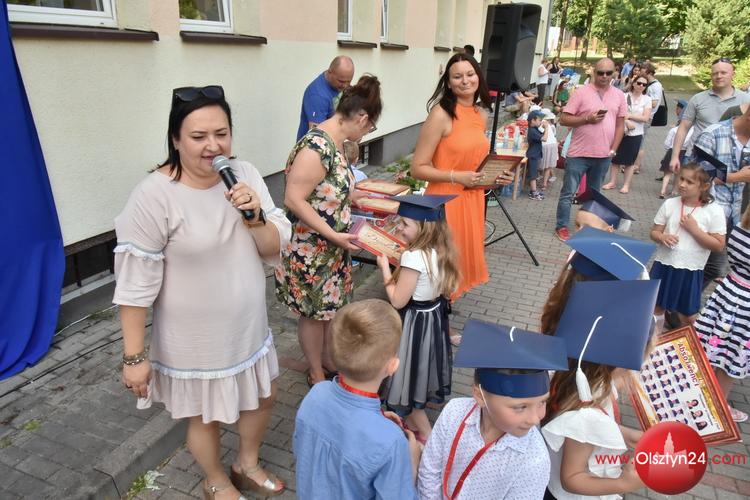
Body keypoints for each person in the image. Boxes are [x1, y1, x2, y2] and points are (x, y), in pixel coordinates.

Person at [114, 85, 291, 499]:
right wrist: (134, 357)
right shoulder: (154, 195)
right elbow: (135, 284)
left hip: (248, 327)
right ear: (176, 140)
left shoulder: (245, 175)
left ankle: (246, 464)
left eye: (221, 133)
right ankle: (215, 479)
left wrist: (255, 218)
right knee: (204, 416)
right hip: (194, 339)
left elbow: (273, 245)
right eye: (199, 136)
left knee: (265, 396)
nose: (214, 146)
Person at [275, 74, 382, 385]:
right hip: (310, 249)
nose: (367, 133)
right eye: (370, 128)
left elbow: (327, 189)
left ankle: (326, 359)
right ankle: (316, 370)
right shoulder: (316, 146)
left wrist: (357, 197)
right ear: (362, 118)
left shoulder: (335, 143)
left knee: (328, 311)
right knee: (312, 313)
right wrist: (334, 235)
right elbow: (293, 198)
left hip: (330, 248)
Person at [417, 319, 569, 499]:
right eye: (521, 407)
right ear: (480, 396)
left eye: (542, 402)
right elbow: (430, 469)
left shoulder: (534, 459)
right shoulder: (454, 412)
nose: (536, 419)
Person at [542, 279, 660, 499]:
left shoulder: (584, 380)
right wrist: (623, 483)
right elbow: (572, 477)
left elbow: (587, 434)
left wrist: (628, 435)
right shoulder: (589, 408)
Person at [293, 299, 421, 500]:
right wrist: (411, 463)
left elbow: (303, 451)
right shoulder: (392, 442)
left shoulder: (316, 394)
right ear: (393, 366)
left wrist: (378, 421)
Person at [411, 53, 514, 299]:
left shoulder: (481, 114)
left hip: (472, 199)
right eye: (457, 76)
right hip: (444, 203)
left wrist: (496, 177)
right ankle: (433, 317)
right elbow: (417, 168)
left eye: (470, 74)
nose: (465, 81)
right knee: (442, 269)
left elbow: (475, 162)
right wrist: (457, 177)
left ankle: (443, 315)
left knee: (458, 267)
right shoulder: (441, 114)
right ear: (448, 82)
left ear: (478, 77)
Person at [377, 194, 460, 442]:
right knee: (421, 367)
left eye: (404, 224)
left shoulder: (412, 257)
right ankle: (416, 415)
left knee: (407, 378)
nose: (399, 228)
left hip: (414, 323)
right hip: (432, 318)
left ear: (423, 228)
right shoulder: (441, 250)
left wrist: (385, 269)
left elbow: (397, 301)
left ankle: (426, 434)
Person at [554, 58, 627, 242]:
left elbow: (620, 125)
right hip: (578, 154)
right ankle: (562, 226)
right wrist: (587, 119)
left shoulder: (619, 95)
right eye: (600, 72)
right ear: (594, 72)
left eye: (608, 73)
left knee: (594, 195)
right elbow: (564, 119)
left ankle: (586, 226)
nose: (604, 76)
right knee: (568, 192)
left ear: (614, 73)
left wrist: (613, 149)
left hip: (603, 155)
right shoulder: (581, 92)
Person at [650, 163, 726, 326]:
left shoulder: (714, 210)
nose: (682, 184)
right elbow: (654, 232)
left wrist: (695, 230)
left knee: (687, 315)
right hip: (664, 264)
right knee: (655, 307)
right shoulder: (670, 204)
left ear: (704, 186)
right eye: (681, 179)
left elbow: (719, 245)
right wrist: (662, 237)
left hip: (690, 270)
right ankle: (653, 339)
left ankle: (695, 340)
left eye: (689, 182)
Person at [694, 203, 750, 423]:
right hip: (746, 304)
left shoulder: (740, 229)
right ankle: (719, 405)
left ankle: (704, 393)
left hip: (729, 292)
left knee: (718, 347)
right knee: (732, 355)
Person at [692, 105, 750, 289]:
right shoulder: (713, 134)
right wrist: (737, 177)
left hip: (735, 215)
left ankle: (682, 302)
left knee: (712, 267)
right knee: (710, 266)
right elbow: (695, 177)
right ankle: (679, 302)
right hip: (705, 213)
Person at [670, 58, 750, 172]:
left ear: (733, 74)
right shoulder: (698, 99)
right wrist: (674, 157)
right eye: (715, 73)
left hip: (730, 161)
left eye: (723, 72)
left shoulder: (746, 100)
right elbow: (683, 128)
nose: (719, 76)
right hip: (697, 158)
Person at [601, 74, 652, 193]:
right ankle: (612, 182)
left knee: (630, 161)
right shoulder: (624, 96)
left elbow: (645, 118)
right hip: (620, 130)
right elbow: (615, 112)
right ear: (633, 83)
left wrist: (629, 116)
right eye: (639, 83)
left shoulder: (647, 99)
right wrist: (627, 120)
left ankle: (626, 185)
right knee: (615, 158)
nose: (641, 86)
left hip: (636, 133)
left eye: (644, 84)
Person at [296, 56, 355, 141]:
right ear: (330, 72)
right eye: (341, 81)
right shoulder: (317, 96)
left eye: (348, 81)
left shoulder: (339, 85)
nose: (345, 86)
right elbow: (317, 137)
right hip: (315, 146)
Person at [631, 62, 663, 175]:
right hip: (640, 116)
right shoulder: (650, 84)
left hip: (647, 117)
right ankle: (633, 163)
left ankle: (636, 166)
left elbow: (654, 103)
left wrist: (643, 99)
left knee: (639, 142)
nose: (640, 72)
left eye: (642, 70)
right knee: (636, 140)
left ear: (648, 71)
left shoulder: (656, 86)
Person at [657, 99, 692, 197]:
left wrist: (669, 148)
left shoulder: (674, 130)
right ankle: (674, 191)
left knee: (667, 173)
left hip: (671, 151)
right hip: (683, 152)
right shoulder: (692, 131)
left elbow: (667, 143)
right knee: (678, 174)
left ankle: (663, 190)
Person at [527, 110, 549, 200]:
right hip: (533, 155)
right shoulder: (532, 131)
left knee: (534, 173)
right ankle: (533, 192)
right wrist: (547, 128)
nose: (541, 122)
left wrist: (543, 128)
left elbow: (541, 135)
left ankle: (533, 191)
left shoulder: (534, 129)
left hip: (535, 154)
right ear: (533, 120)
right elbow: (544, 138)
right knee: (533, 175)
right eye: (539, 120)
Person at [541, 110, 559, 191]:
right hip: (553, 144)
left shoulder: (542, 123)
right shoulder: (550, 125)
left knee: (543, 165)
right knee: (548, 167)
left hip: (545, 145)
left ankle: (541, 179)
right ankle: (544, 184)